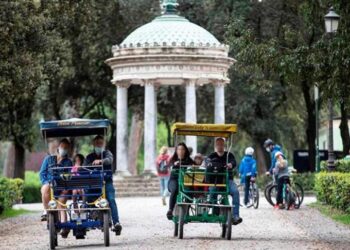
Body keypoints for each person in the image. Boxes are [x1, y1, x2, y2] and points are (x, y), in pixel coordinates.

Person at [84, 135, 122, 235]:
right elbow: (84, 167)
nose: (98, 145)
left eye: (100, 144)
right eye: (96, 144)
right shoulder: (89, 157)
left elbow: (110, 160)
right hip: (93, 183)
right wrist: (91, 165)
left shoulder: (107, 153)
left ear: (103, 144)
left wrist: (101, 161)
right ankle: (86, 219)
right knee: (87, 197)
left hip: (106, 181)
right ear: (93, 144)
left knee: (111, 199)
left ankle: (116, 222)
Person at [39, 138, 73, 238]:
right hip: (50, 186)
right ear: (58, 147)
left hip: (62, 188)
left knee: (60, 204)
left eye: (66, 148)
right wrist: (47, 183)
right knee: (45, 188)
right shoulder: (48, 159)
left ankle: (64, 227)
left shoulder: (68, 162)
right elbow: (42, 173)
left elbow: (69, 176)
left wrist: (65, 187)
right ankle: (46, 210)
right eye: (63, 147)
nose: (64, 149)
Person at [207, 138, 242, 225]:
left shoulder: (229, 155)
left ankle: (235, 215)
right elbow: (206, 162)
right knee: (212, 191)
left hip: (227, 180)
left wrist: (231, 165)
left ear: (224, 145)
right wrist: (208, 164)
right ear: (215, 146)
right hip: (215, 180)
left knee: (235, 192)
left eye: (221, 144)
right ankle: (215, 212)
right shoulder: (211, 156)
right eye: (218, 144)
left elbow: (234, 162)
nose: (220, 146)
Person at [166, 142, 194, 219]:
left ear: (185, 151)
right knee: (175, 189)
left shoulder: (189, 160)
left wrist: (192, 167)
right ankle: (170, 210)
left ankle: (187, 209)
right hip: (174, 180)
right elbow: (168, 167)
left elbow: (194, 167)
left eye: (182, 149)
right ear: (176, 151)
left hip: (186, 181)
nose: (180, 151)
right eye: (179, 149)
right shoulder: (173, 160)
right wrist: (174, 165)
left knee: (190, 190)